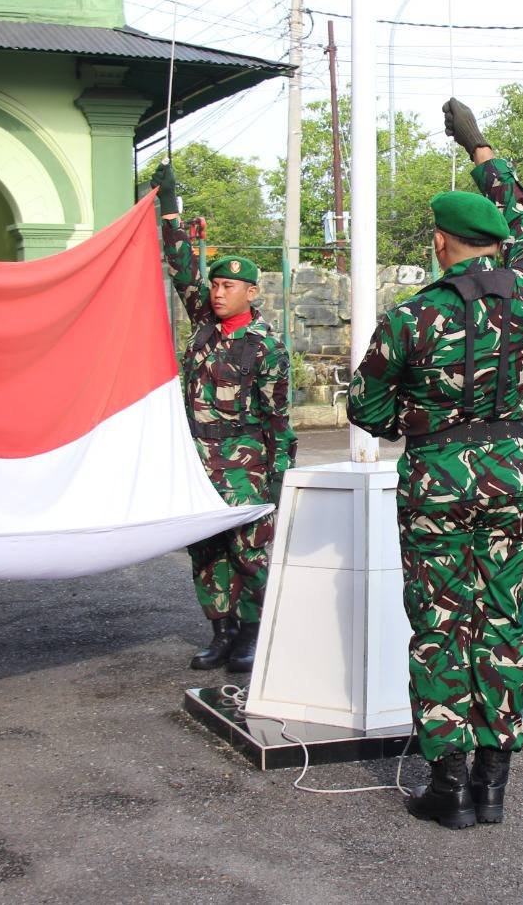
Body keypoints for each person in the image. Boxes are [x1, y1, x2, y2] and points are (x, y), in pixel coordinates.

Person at [348, 98, 523, 830]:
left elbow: (366, 411)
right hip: (513, 475)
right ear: (491, 244)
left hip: (437, 480)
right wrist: (482, 149)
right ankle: (494, 784)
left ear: (440, 243)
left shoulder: (409, 318)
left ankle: (448, 786)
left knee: (441, 624)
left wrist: (418, 420)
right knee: (501, 618)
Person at [156, 165, 297, 674]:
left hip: (245, 464)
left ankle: (252, 634)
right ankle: (221, 631)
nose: (217, 293)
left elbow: (278, 419)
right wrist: (168, 211)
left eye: (229, 286)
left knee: (250, 553)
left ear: (251, 294)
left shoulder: (266, 346)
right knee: (206, 552)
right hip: (198, 460)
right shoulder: (203, 325)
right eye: (215, 284)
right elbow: (180, 269)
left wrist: (278, 479)